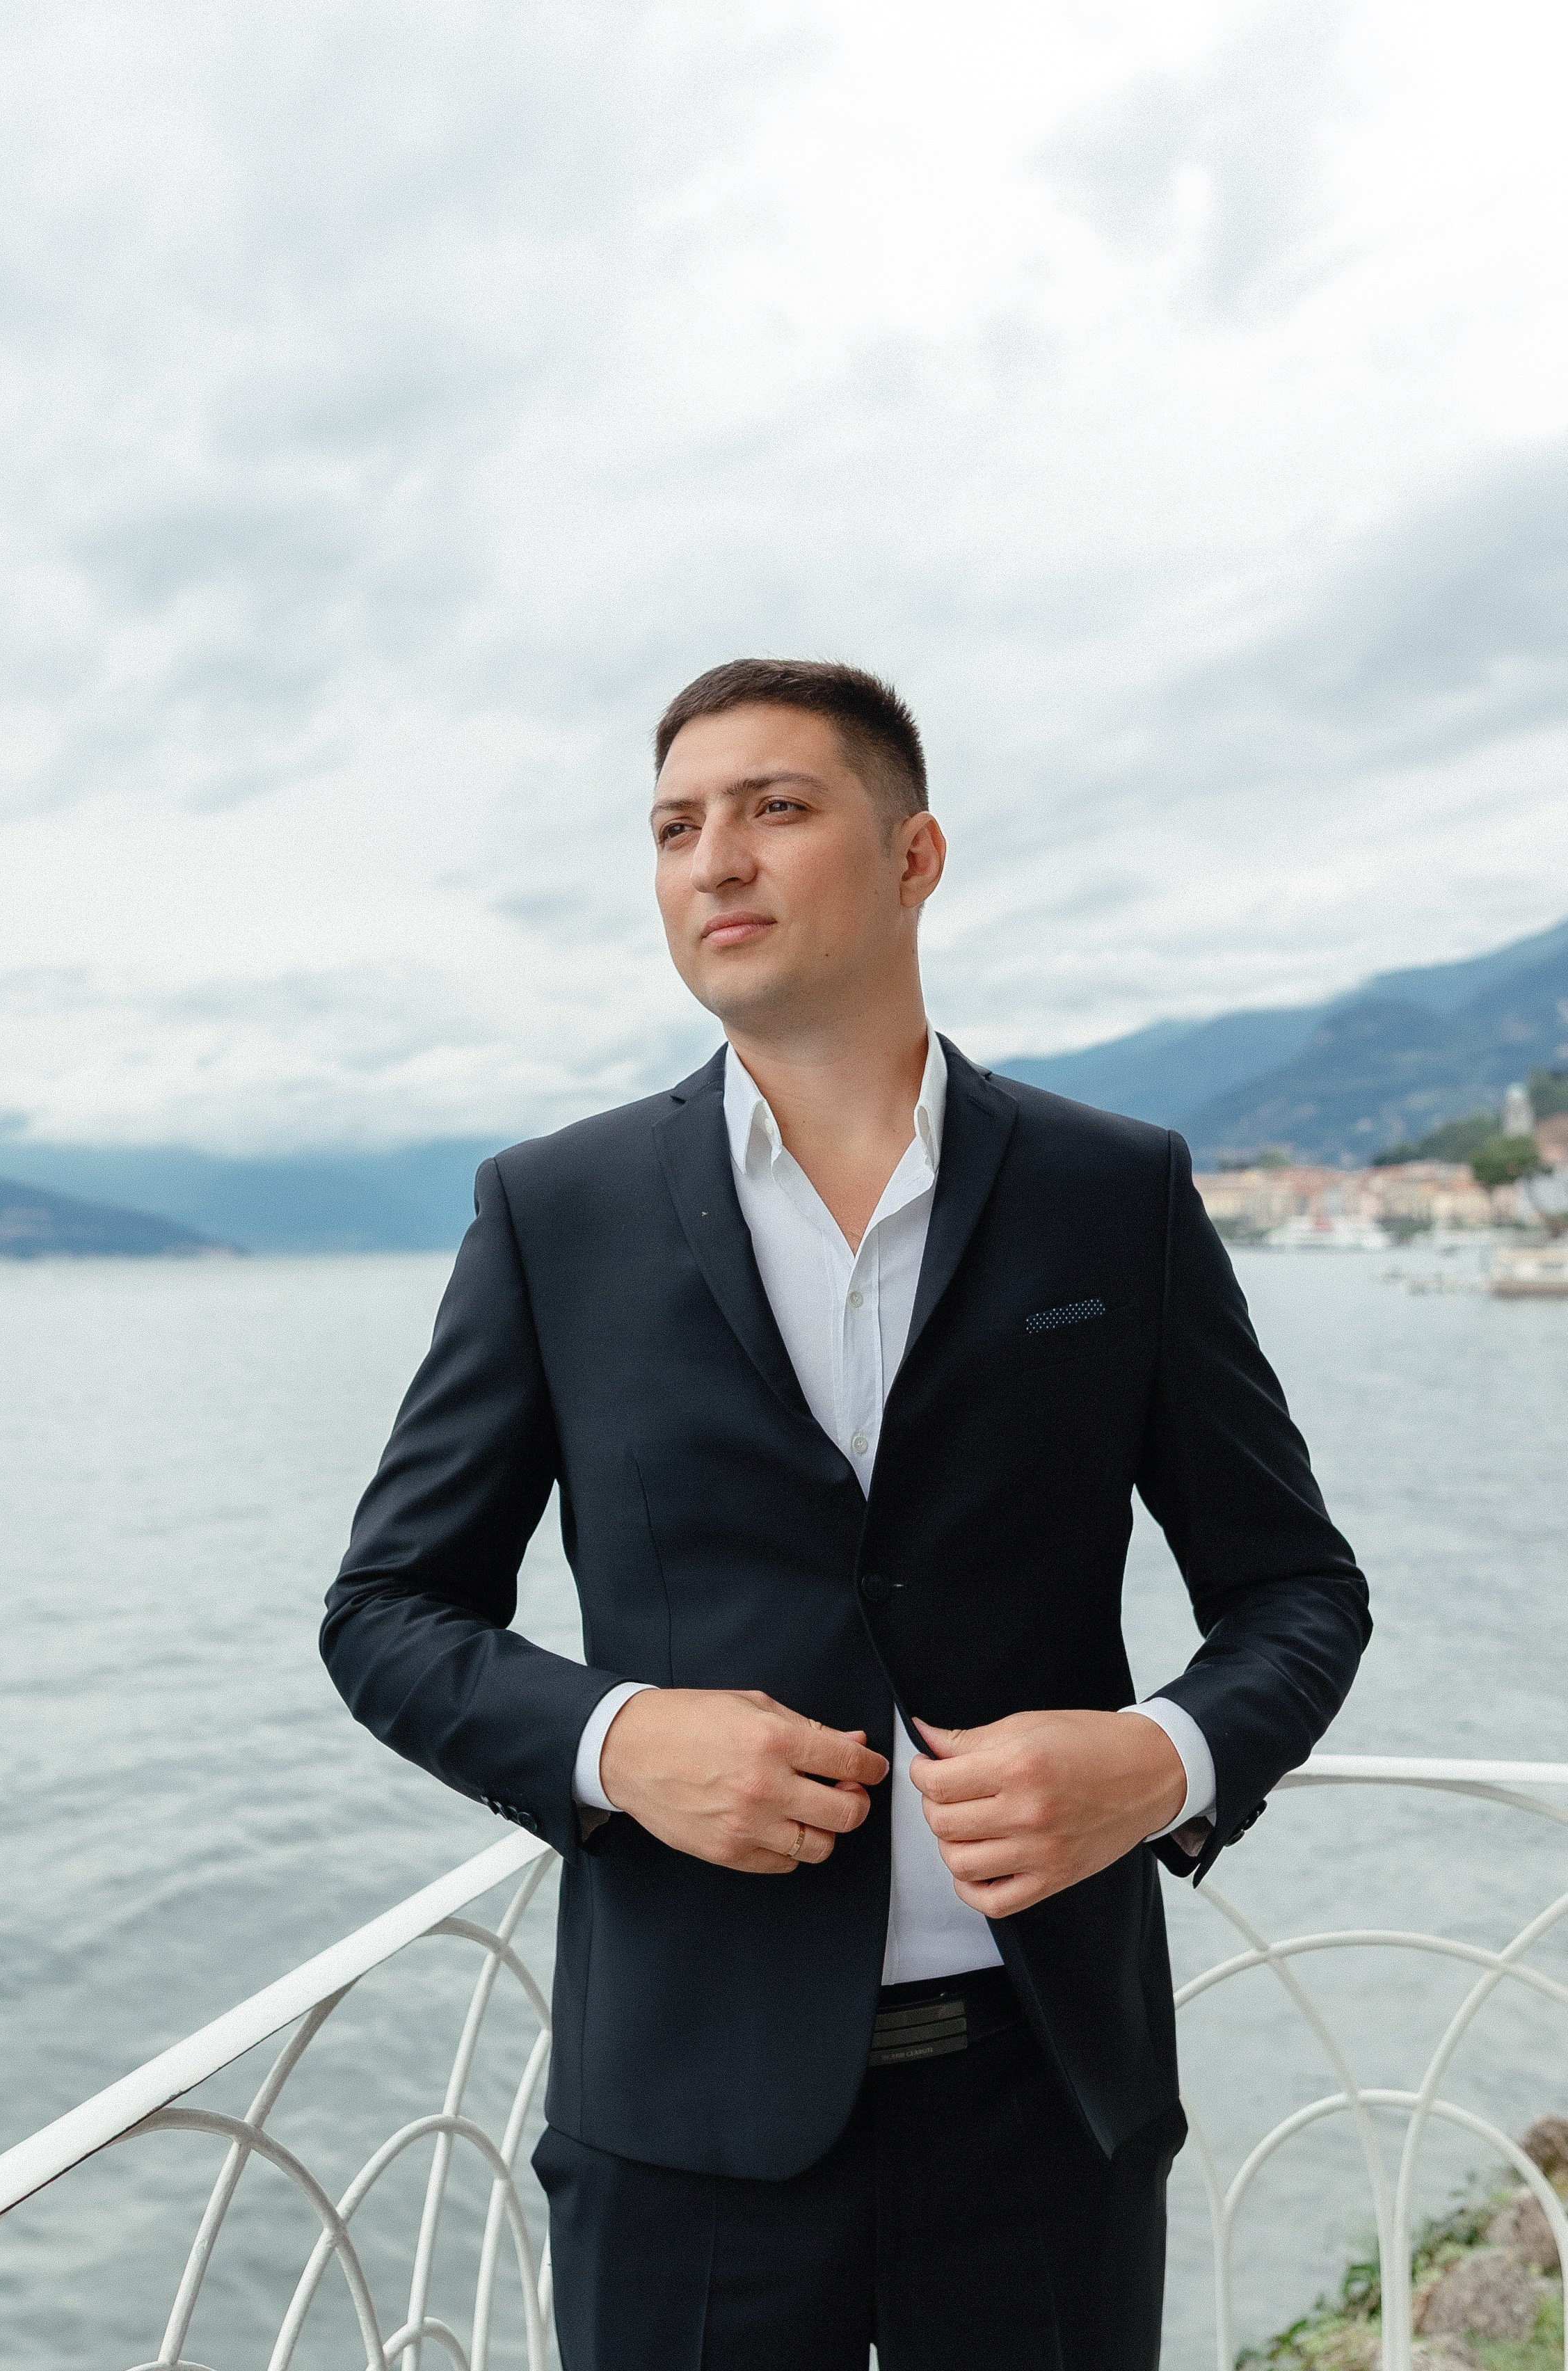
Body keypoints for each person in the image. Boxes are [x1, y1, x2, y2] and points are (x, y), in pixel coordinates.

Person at [321, 658, 1369, 2370]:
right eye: (673, 827)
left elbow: (1296, 1593)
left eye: (772, 808)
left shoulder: (1118, 1194)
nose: (711, 858)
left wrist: (1162, 1759)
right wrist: (614, 1739)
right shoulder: (552, 1212)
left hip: (1049, 2100)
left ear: (913, 858)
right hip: (681, 2126)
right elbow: (385, 1611)